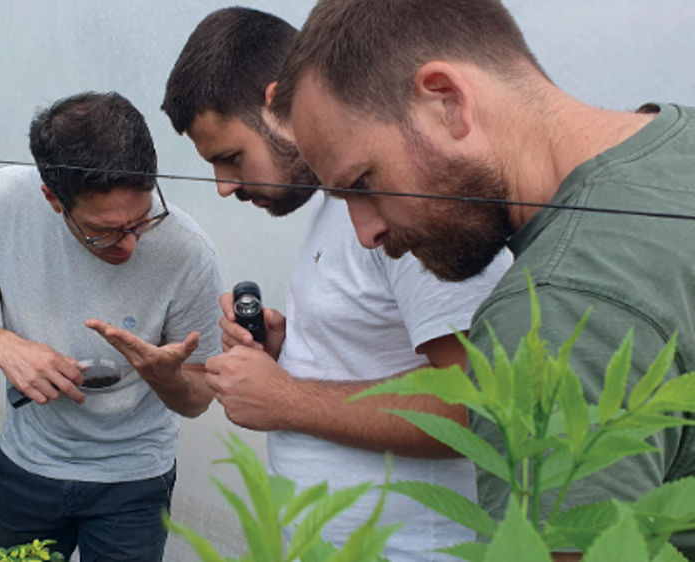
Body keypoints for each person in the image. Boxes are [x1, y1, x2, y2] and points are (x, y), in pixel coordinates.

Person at [273, 0, 695, 558]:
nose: (365, 233)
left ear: (447, 101)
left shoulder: (555, 311)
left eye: (364, 182)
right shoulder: (677, 138)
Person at [162, 8, 511, 559]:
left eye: (230, 158)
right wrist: (289, 353)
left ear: (280, 109)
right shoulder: (339, 207)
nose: (224, 187)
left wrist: (289, 398)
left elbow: (479, 403)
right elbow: (374, 353)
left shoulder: (399, 210)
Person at [0, 91, 222, 561]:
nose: (129, 244)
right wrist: (1, 343)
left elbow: (197, 399)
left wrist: (165, 376)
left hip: (133, 481)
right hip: (28, 465)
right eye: (105, 231)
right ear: (53, 198)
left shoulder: (187, 252)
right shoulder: (0, 202)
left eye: (141, 222)